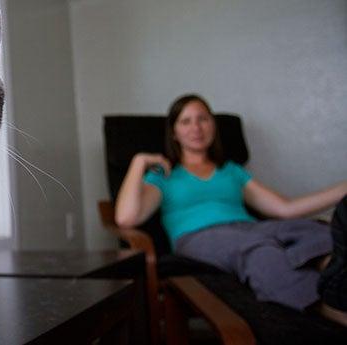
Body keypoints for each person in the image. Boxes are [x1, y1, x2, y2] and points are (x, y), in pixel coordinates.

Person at [114, 93, 347, 325]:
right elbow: (126, 217)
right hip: (200, 237)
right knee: (262, 253)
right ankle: (335, 311)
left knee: (313, 230)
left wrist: (343, 189)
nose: (196, 127)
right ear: (174, 132)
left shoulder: (231, 170)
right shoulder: (164, 174)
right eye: (186, 121)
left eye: (203, 119)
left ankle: (338, 277)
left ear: (213, 126)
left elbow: (285, 209)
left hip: (252, 228)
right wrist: (139, 162)